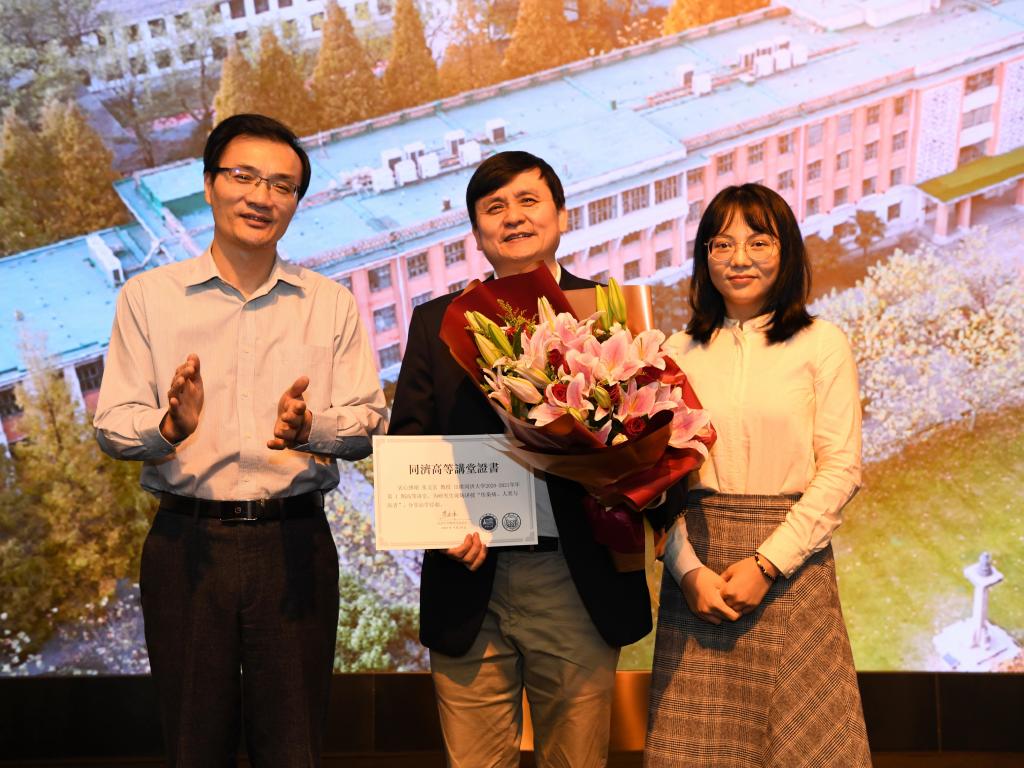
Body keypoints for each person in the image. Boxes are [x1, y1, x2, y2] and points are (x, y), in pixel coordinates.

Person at [94, 113, 387, 766]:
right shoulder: (149, 298)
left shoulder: (329, 303)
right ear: (208, 185)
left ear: (296, 202)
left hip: (295, 541)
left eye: (282, 185)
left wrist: (310, 429)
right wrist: (169, 428)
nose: (262, 197)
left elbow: (368, 422)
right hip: (187, 543)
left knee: (294, 744)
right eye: (244, 177)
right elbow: (112, 424)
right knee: (194, 744)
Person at [389, 150, 674, 767]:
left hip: (576, 577)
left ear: (562, 216)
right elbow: (410, 442)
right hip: (469, 580)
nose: (513, 217)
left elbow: (653, 435)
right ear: (477, 234)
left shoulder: (609, 313)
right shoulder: (437, 322)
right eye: (494, 207)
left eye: (528, 201)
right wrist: (439, 526)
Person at [645, 183, 871, 767]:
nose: (739, 258)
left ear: (786, 249)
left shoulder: (821, 344)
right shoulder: (676, 352)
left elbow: (841, 468)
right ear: (704, 258)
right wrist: (687, 572)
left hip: (793, 569)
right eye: (721, 244)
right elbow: (656, 482)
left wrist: (767, 563)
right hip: (699, 577)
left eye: (758, 241)